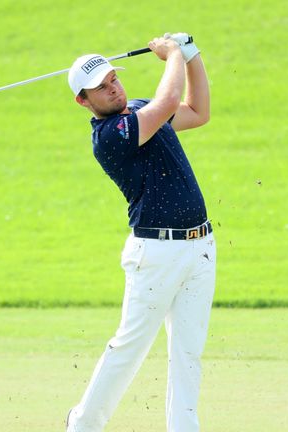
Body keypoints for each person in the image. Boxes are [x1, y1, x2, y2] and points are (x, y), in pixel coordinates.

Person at [64, 33, 215, 432]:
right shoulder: (110, 136)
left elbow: (197, 111)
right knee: (129, 349)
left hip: (200, 247)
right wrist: (171, 56)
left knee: (188, 353)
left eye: (114, 78)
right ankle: (82, 425)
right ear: (83, 101)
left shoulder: (139, 110)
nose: (113, 88)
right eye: (101, 87)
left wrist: (191, 53)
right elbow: (167, 102)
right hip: (155, 252)